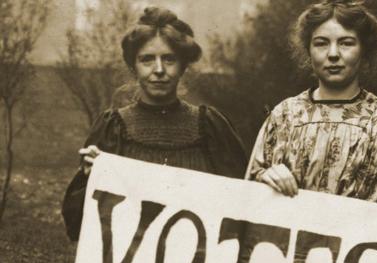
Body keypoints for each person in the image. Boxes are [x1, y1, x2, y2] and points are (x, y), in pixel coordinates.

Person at [246, 0, 377, 215]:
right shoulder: (284, 116)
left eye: (346, 43)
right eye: (321, 43)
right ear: (308, 51)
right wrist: (265, 176)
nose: (333, 54)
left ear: (364, 51)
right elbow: (247, 193)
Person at [62, 6, 247, 241]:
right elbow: (77, 226)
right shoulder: (113, 128)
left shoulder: (210, 127)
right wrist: (90, 178)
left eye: (169, 59)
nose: (158, 70)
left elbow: (244, 210)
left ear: (183, 66)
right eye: (147, 59)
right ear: (133, 66)